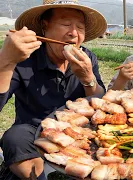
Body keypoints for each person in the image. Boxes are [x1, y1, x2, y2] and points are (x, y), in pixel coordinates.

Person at [0, 0, 107, 179]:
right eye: (66, 24)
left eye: (80, 27)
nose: (74, 33)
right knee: (14, 137)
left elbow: (100, 104)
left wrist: (88, 79)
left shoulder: (88, 58)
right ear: (45, 27)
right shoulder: (24, 58)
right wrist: (5, 62)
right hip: (32, 132)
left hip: (79, 132)